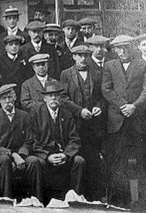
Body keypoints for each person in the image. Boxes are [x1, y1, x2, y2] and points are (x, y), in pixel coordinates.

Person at [101, 35, 146, 210]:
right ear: (115, 50)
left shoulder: (144, 65)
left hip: (138, 118)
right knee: (119, 162)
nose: (122, 51)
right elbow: (106, 89)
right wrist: (123, 105)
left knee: (142, 161)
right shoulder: (109, 66)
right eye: (119, 48)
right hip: (117, 119)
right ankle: (120, 202)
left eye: (125, 47)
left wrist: (134, 106)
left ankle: (144, 202)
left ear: (131, 47)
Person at [60, 45, 107, 202]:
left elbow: (103, 96)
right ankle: (77, 196)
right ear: (73, 57)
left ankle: (94, 198)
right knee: (78, 160)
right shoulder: (66, 74)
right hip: (75, 125)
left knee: (94, 160)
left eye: (85, 55)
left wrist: (98, 107)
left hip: (94, 127)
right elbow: (63, 98)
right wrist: (79, 111)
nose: (82, 59)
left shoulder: (97, 74)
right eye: (78, 55)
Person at [0, 84, 42, 202]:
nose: (7, 101)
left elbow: (30, 140)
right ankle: (7, 200)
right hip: (0, 156)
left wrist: (21, 155)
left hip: (22, 155)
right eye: (4, 98)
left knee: (34, 161)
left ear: (15, 97)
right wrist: (13, 155)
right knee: (5, 160)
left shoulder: (24, 116)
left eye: (10, 97)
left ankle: (37, 200)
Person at [30, 81, 85, 198]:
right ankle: (39, 200)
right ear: (44, 98)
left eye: (56, 95)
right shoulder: (36, 113)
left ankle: (75, 199)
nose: (53, 98)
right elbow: (33, 140)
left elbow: (74, 139)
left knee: (79, 161)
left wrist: (66, 154)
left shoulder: (67, 114)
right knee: (37, 163)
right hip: (45, 154)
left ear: (60, 97)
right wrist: (47, 156)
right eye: (50, 95)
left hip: (63, 154)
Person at [0, 35, 27, 109]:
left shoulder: (24, 60)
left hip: (20, 95)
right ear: (6, 47)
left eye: (16, 44)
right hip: (5, 96)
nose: (14, 47)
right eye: (11, 44)